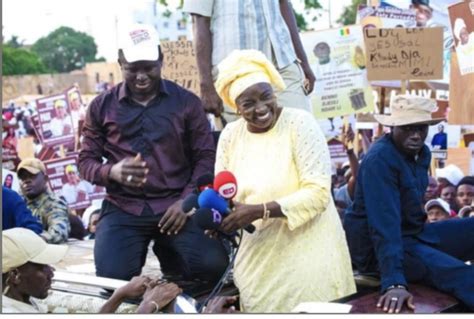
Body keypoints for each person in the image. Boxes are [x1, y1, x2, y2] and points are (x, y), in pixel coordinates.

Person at [78, 23, 228, 282]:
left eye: (149, 67)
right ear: (120, 63)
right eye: (132, 69)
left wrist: (187, 201)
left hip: (175, 203)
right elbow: (84, 162)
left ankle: (170, 259)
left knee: (212, 265)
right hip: (123, 207)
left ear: (161, 59)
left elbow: (205, 157)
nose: (141, 76)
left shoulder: (187, 103)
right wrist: (111, 171)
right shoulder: (101, 107)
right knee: (111, 278)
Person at [212, 49, 356, 312]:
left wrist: (261, 210)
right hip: (257, 266)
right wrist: (220, 218)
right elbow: (224, 192)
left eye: (265, 96)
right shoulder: (230, 136)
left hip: (309, 262)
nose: (260, 108)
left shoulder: (301, 124)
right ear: (236, 107)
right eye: (248, 103)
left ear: (274, 91)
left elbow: (318, 194)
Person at [344, 95, 474, 312]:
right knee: (462, 275)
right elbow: (384, 226)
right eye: (407, 128)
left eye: (421, 128)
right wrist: (394, 282)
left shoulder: (422, 154)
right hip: (378, 249)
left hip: (415, 234)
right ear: (392, 128)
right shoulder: (380, 160)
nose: (415, 135)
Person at [183, 0, 316, 120]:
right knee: (247, 141)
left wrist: (304, 62)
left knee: (300, 125)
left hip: (282, 64)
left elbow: (283, 4)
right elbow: (200, 19)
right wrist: (206, 86)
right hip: (235, 74)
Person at [2, 227, 183, 314]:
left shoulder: (22, 298)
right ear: (15, 276)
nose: (52, 272)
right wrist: (148, 306)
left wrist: (119, 295)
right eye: (43, 267)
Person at [17, 158, 71, 244]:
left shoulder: (54, 203)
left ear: (45, 179)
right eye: (23, 177)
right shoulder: (17, 202)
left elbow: (59, 232)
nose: (27, 181)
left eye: (32, 176)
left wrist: (33, 242)